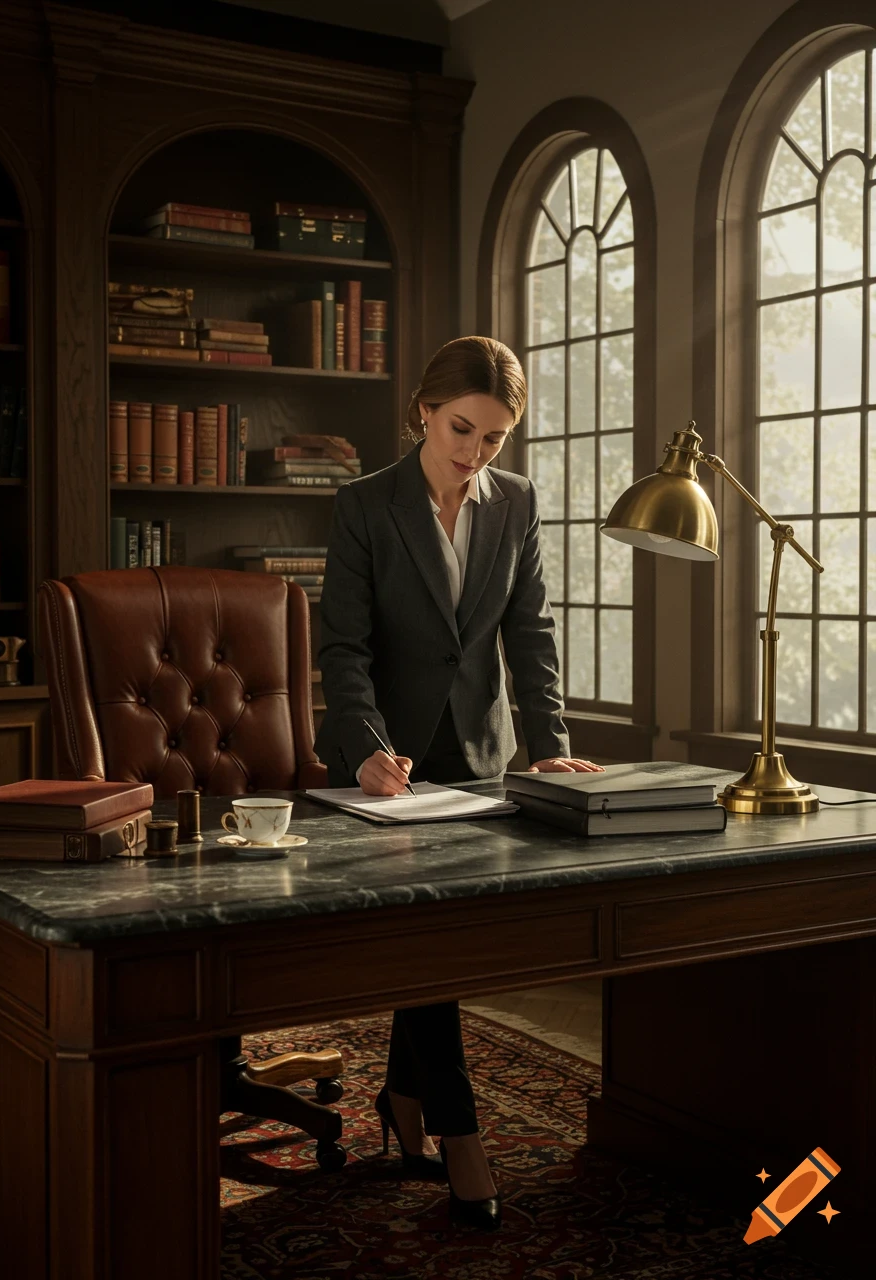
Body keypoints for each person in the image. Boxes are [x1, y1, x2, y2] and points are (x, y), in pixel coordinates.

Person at [315, 335, 604, 1230]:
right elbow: (344, 650)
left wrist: (548, 744)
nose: (473, 454)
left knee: (436, 940)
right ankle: (459, 1126)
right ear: (423, 413)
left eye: (493, 439)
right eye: (460, 429)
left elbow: (531, 632)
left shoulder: (514, 504)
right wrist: (366, 746)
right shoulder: (365, 505)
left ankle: (402, 1100)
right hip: (383, 768)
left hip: (480, 754)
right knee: (425, 940)